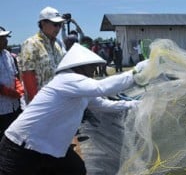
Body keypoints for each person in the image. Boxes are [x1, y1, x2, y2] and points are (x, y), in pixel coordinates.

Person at [0, 43, 149, 174]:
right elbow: (102, 87)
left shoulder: (79, 89)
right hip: (20, 147)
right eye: (91, 67)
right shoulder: (67, 79)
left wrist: (136, 104)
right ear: (80, 67)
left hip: (47, 148)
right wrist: (135, 72)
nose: (93, 71)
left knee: (75, 169)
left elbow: (104, 105)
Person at [18, 6, 65, 103]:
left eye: (60, 25)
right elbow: (28, 75)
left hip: (59, 99)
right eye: (55, 24)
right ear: (43, 23)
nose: (58, 28)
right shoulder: (31, 44)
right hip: (42, 103)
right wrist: (37, 103)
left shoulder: (57, 45)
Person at [0, 27, 24, 138]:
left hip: (14, 106)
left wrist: (18, 87)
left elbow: (14, 75)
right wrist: (7, 91)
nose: (6, 41)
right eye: (2, 38)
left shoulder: (7, 55)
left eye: (5, 37)